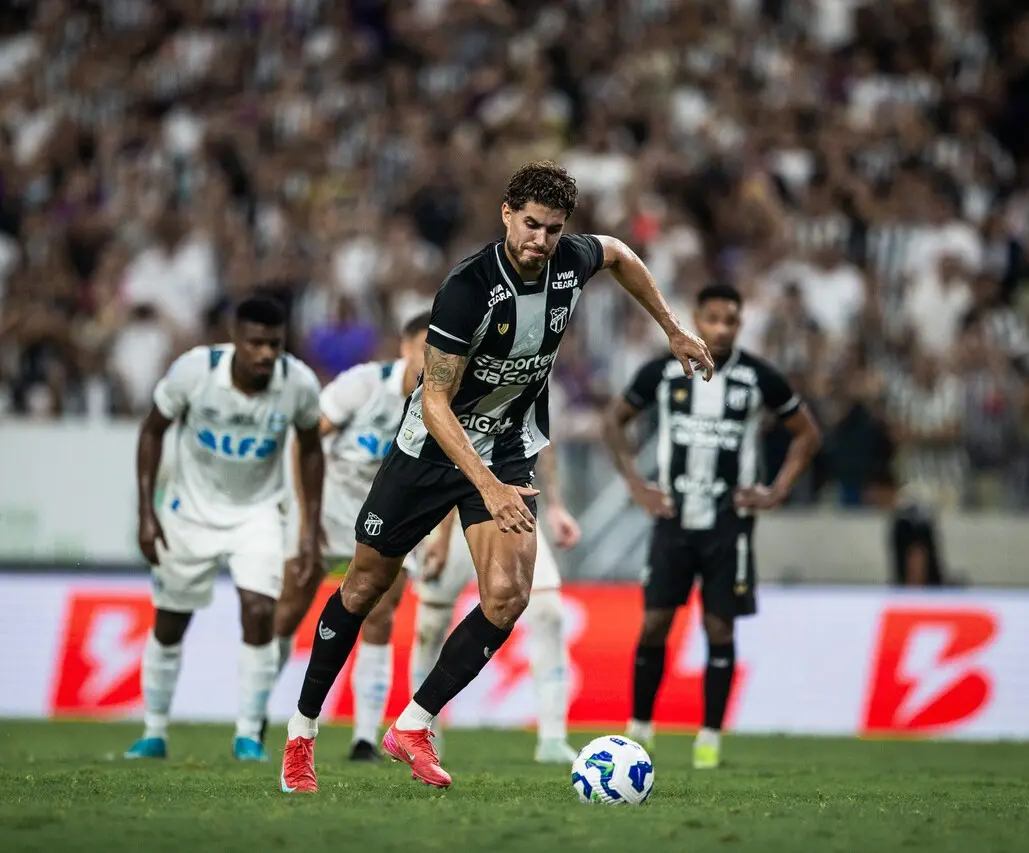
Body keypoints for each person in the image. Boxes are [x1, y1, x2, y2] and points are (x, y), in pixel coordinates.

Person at [279, 159, 714, 793]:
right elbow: (433, 400)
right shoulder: (468, 288)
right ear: (506, 215)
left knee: (509, 596)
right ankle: (300, 735)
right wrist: (485, 485)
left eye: (553, 229)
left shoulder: (571, 260)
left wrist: (672, 329)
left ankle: (413, 725)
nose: (540, 240)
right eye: (531, 225)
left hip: (508, 444)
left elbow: (619, 254)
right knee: (363, 588)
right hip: (430, 451)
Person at [603, 283, 821, 770]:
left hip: (729, 525)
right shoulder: (662, 371)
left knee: (718, 627)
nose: (722, 329)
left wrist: (776, 489)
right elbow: (613, 422)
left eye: (731, 321)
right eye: (713, 319)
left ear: (740, 325)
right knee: (656, 621)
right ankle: (640, 728)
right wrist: (637, 486)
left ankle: (709, 738)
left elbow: (807, 434)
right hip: (673, 518)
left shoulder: (758, 377)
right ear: (695, 319)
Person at [124, 295, 324, 763]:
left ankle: (248, 733)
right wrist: (146, 513)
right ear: (234, 339)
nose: (265, 354)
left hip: (257, 513)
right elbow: (152, 430)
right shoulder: (194, 371)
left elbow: (312, 448)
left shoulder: (298, 383)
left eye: (274, 344)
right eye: (255, 343)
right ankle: (154, 732)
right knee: (171, 620)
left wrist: (309, 528)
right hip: (189, 512)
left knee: (259, 611)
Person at [271, 312, 430, 761]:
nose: (432, 358)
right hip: (330, 508)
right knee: (289, 610)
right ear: (404, 347)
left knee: (381, 615)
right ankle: (254, 717)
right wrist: (306, 520)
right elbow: (306, 442)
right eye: (424, 348)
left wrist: (433, 540)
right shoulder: (361, 385)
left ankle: (364, 737)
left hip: (389, 518)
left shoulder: (444, 403)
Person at [413, 439, 581, 764]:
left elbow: (542, 439)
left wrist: (556, 505)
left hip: (513, 507)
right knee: (430, 626)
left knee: (548, 612)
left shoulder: (535, 385)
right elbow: (445, 445)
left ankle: (553, 739)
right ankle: (420, 733)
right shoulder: (453, 386)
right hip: (456, 506)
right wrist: (441, 535)